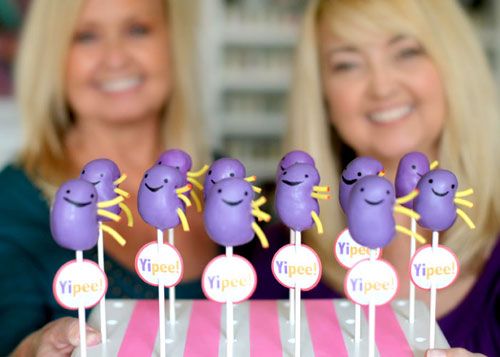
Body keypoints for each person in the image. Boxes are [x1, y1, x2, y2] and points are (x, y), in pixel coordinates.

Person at [250, 1, 499, 356]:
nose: (381, 87)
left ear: (455, 68)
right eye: (347, 64)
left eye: (406, 52)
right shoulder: (280, 266)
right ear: (323, 97)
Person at [0, 0, 218, 355]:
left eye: (137, 30)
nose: (116, 58)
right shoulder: (13, 201)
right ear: (53, 55)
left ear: (173, 41)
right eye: (86, 37)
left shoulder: (225, 185)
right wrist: (35, 349)